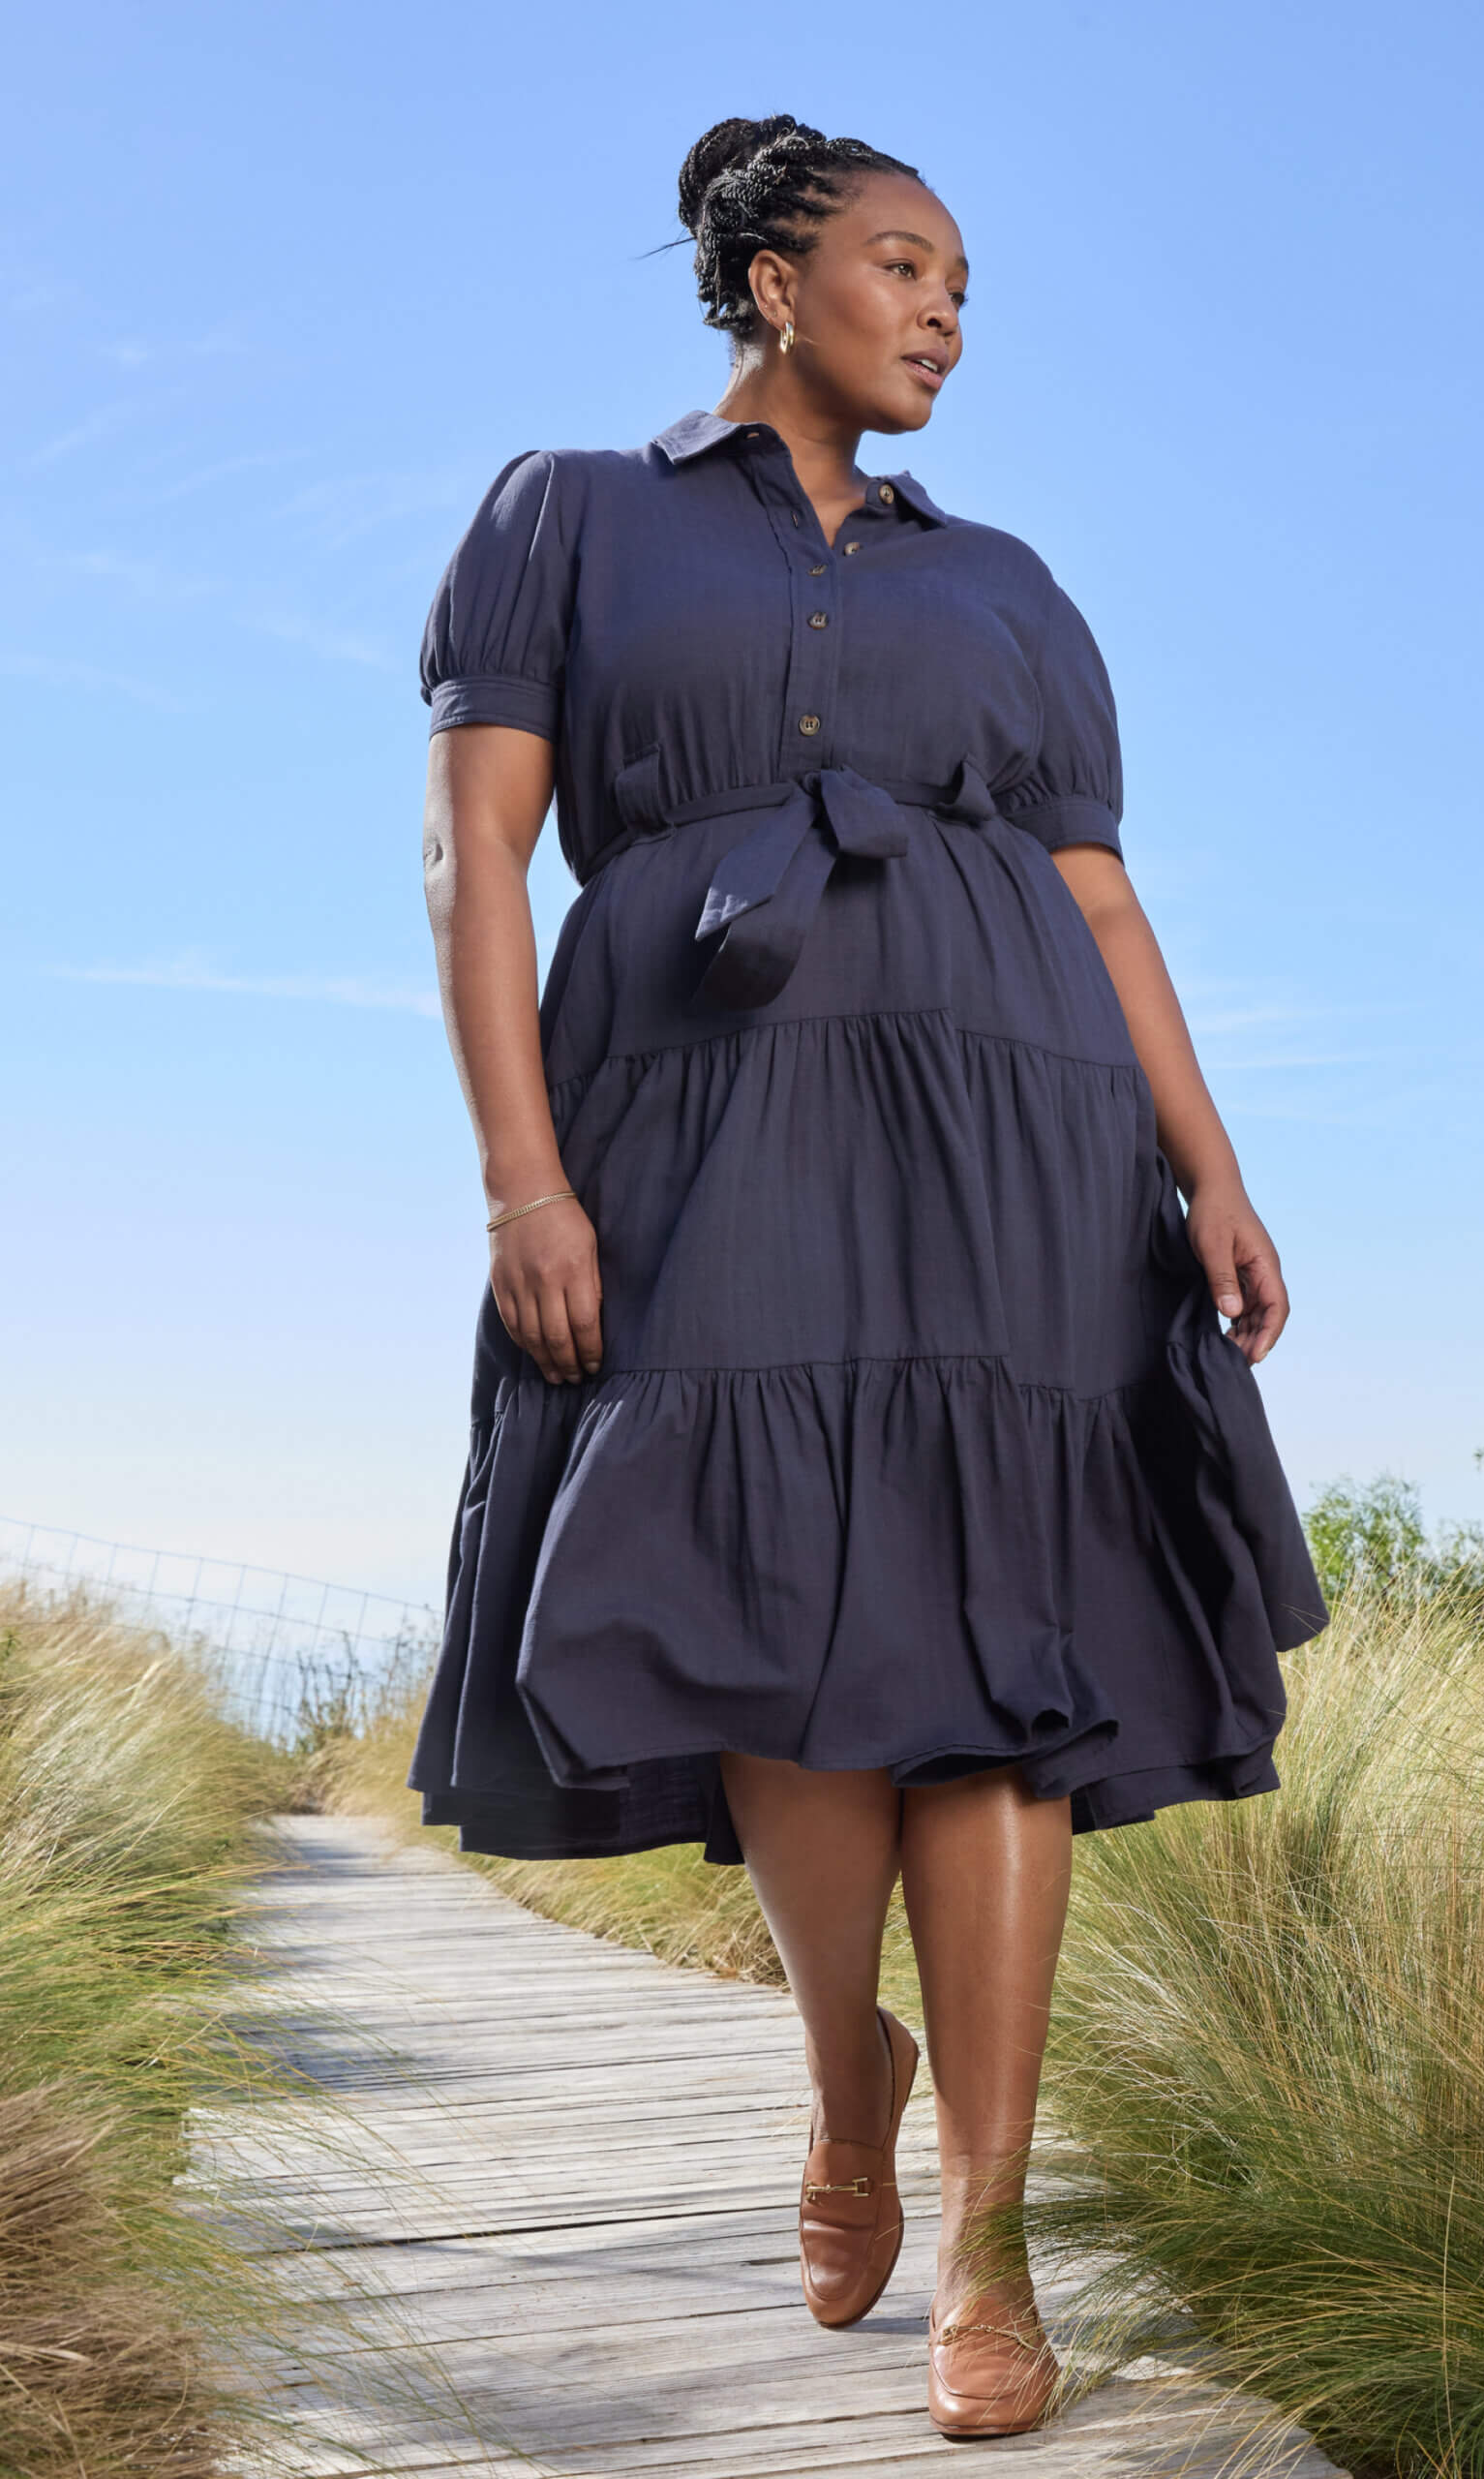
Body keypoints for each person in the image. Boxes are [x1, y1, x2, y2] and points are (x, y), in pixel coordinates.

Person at [409, 114, 1327, 2439]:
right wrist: (526, 1179)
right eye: (901, 265)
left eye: (961, 286)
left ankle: (991, 2239)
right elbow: (476, 854)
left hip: (1018, 1127)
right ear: (766, 279)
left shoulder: (1009, 581)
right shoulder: (570, 512)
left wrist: (1208, 1168)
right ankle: (850, 2078)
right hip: (698, 1116)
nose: (940, 313)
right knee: (767, 1615)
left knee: (1010, 1647)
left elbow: (1102, 908)